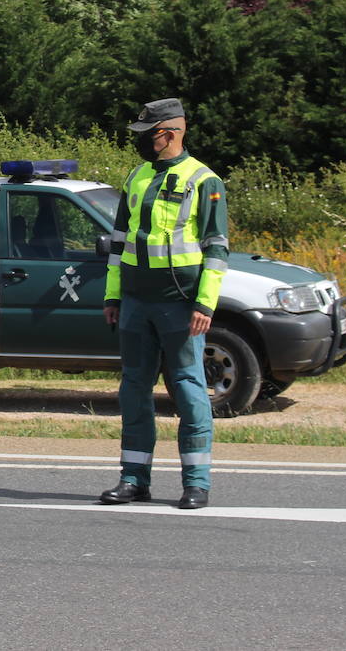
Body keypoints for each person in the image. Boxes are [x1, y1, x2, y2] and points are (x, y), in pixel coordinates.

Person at [100, 98, 228, 510]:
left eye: (147, 135)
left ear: (170, 132)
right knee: (133, 390)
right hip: (136, 302)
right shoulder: (136, 177)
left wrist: (204, 305)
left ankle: (196, 483)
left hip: (180, 304)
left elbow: (216, 250)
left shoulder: (204, 180)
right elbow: (119, 245)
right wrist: (113, 295)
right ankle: (134, 479)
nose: (141, 143)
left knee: (188, 389)